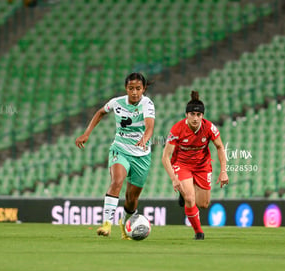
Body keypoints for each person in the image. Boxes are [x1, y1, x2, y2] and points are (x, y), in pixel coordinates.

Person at [75, 72, 155, 240]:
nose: (134, 92)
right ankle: (106, 224)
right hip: (120, 149)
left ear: (144, 89)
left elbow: (149, 127)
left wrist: (144, 139)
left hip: (142, 155)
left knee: (132, 199)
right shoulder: (116, 102)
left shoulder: (147, 104)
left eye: (138, 88)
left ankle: (125, 225)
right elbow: (100, 112)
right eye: (131, 88)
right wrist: (87, 133)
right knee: (117, 181)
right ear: (126, 88)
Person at [162, 91, 228, 240]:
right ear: (186, 115)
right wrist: (173, 178)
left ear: (202, 116)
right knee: (190, 198)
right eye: (192, 114)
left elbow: (220, 147)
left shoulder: (209, 128)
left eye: (199, 115)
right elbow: (165, 157)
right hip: (182, 164)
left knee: (203, 204)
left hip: (202, 166)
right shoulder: (176, 129)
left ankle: (184, 195)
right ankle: (199, 232)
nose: (196, 118)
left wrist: (224, 171)